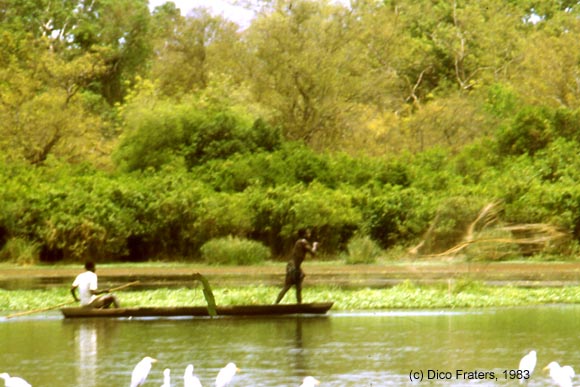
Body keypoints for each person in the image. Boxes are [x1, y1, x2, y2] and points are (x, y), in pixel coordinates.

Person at [275, 230, 318, 304]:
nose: (309, 234)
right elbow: (313, 253)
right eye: (308, 233)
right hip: (293, 267)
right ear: (304, 234)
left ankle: (298, 305)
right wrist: (315, 246)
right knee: (289, 287)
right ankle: (276, 304)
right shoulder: (303, 242)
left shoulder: (299, 242)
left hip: (294, 266)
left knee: (297, 287)